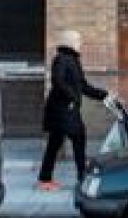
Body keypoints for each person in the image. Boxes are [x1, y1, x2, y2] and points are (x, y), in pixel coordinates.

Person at [36, 30, 106, 191]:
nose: (80, 43)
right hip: (62, 109)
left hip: (67, 109)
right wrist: (73, 97)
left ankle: (45, 179)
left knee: (56, 143)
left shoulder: (73, 60)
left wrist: (104, 95)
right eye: (78, 40)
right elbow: (57, 81)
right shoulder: (61, 59)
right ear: (70, 42)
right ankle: (80, 177)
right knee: (77, 138)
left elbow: (83, 86)